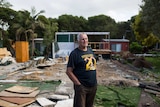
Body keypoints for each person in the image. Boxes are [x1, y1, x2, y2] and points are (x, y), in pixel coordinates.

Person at [66, 33, 97, 107]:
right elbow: (68, 71)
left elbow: (94, 66)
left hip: (93, 86)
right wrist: (78, 84)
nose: (85, 41)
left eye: (86, 39)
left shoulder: (90, 51)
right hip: (82, 87)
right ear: (78, 41)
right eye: (82, 39)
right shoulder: (74, 54)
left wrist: (95, 80)